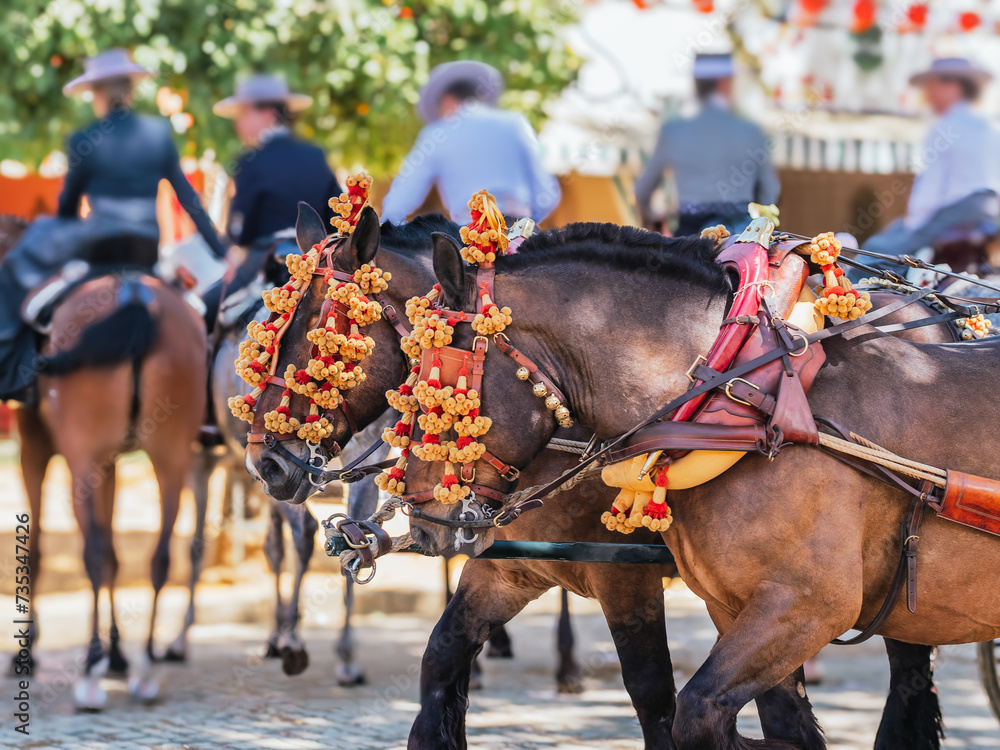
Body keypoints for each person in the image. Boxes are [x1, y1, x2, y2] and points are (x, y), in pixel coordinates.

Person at [0, 48, 225, 399]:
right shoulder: (157, 133)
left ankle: (18, 377)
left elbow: (68, 211)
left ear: (97, 95)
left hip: (99, 250)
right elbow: (189, 201)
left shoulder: (84, 138)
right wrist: (220, 250)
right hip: (145, 251)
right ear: (131, 91)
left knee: (15, 272)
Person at [203, 74, 342, 330]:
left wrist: (232, 247)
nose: (238, 124)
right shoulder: (315, 155)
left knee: (203, 310)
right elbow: (338, 215)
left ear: (267, 114)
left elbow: (241, 231)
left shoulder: (250, 160)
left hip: (265, 265)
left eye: (243, 114)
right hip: (317, 267)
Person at [857, 58, 1000, 277]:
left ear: (953, 86)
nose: (928, 95)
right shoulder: (987, 128)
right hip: (987, 213)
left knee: (878, 250)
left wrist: (911, 224)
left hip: (956, 210)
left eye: (933, 87)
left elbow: (930, 190)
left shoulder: (946, 126)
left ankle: (847, 302)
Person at [381, 61, 561, 225]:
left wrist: (385, 227)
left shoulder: (436, 133)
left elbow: (402, 198)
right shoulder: (516, 122)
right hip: (522, 232)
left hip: (471, 238)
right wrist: (524, 226)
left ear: (447, 100)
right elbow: (549, 194)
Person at [635, 53, 780, 236]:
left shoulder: (674, 132)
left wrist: (652, 217)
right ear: (724, 83)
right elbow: (770, 192)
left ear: (696, 84)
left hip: (691, 239)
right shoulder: (750, 131)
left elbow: (642, 191)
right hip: (739, 240)